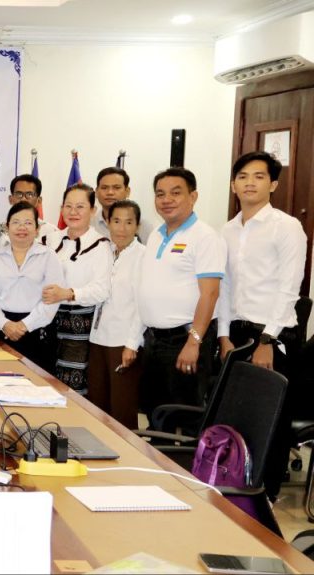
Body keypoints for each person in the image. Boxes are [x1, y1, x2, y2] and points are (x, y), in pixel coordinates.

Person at [216, 151, 306, 498]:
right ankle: (235, 490)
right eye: (242, 177)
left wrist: (267, 340)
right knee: (236, 416)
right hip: (236, 334)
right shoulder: (226, 230)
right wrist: (223, 335)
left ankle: (266, 496)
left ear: (273, 184)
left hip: (273, 335)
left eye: (258, 176)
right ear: (233, 185)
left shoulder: (286, 226)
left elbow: (289, 288)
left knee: (270, 421)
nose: (249, 183)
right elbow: (224, 287)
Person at [137, 167, 225, 416]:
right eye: (160, 194)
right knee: (154, 413)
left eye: (176, 193)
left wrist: (193, 342)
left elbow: (210, 294)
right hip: (154, 340)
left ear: (193, 196)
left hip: (184, 340)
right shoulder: (155, 234)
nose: (166, 200)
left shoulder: (205, 237)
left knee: (184, 415)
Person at [42, 184, 113, 391]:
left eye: (80, 207)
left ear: (93, 210)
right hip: (45, 321)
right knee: (42, 379)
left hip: (79, 325)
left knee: (71, 386)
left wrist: (69, 293)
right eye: (68, 206)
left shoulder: (101, 245)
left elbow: (102, 289)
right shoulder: (48, 240)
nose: (73, 212)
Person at [0, 201, 64, 369]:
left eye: (28, 223)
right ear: (7, 227)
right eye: (16, 222)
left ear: (37, 229)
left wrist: (24, 325)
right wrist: (4, 324)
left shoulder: (48, 256)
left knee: (38, 381)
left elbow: (52, 300)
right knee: (0, 378)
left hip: (38, 330)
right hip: (3, 329)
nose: (22, 228)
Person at [87, 200, 146, 429]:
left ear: (137, 226)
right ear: (108, 223)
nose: (122, 228)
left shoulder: (143, 256)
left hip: (124, 342)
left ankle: (126, 450)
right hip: (98, 337)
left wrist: (132, 344)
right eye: (117, 221)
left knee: (122, 407)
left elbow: (142, 305)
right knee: (97, 404)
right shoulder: (105, 251)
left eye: (129, 222)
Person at [91, 167, 154, 241]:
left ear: (127, 191)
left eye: (116, 188)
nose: (110, 192)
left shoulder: (143, 226)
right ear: (96, 192)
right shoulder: (89, 224)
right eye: (104, 188)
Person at [0, 174, 58, 244]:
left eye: (29, 194)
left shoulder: (51, 232)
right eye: (19, 194)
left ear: (39, 200)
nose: (23, 199)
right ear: (10, 199)